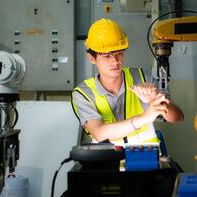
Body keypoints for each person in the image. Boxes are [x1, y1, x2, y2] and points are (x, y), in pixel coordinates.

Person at [71, 18, 184, 146]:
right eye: (107, 56)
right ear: (92, 58)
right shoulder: (84, 93)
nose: (115, 61)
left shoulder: (142, 77)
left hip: (146, 159)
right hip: (107, 161)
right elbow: (99, 133)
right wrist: (145, 118)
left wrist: (159, 101)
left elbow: (178, 117)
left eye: (119, 53)